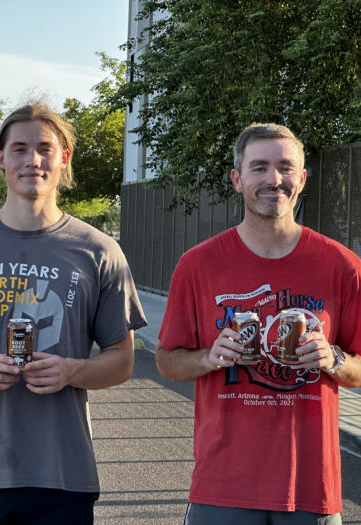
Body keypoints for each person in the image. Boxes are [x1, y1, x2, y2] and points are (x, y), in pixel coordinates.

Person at [0, 102, 147, 524]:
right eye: (18, 148)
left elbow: (121, 361)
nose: (32, 160)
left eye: (45, 148)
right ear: (1, 158)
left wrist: (71, 371)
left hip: (64, 474)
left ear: (64, 158)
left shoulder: (98, 251)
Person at [155, 124, 361, 524]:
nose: (274, 179)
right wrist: (209, 357)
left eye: (285, 167)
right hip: (223, 485)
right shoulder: (197, 265)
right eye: (259, 167)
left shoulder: (342, 266)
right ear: (237, 179)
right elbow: (166, 361)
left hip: (311, 489)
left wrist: (334, 360)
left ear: (302, 178)